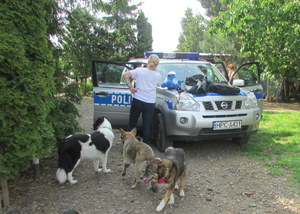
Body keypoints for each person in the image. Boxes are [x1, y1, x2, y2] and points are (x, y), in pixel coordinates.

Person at [123, 54, 161, 144]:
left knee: (132, 124)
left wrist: (131, 88)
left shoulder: (139, 71)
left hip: (137, 100)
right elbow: (158, 85)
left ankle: (128, 145)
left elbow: (125, 75)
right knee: (147, 126)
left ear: (147, 62)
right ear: (157, 64)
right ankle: (145, 148)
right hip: (149, 103)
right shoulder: (158, 75)